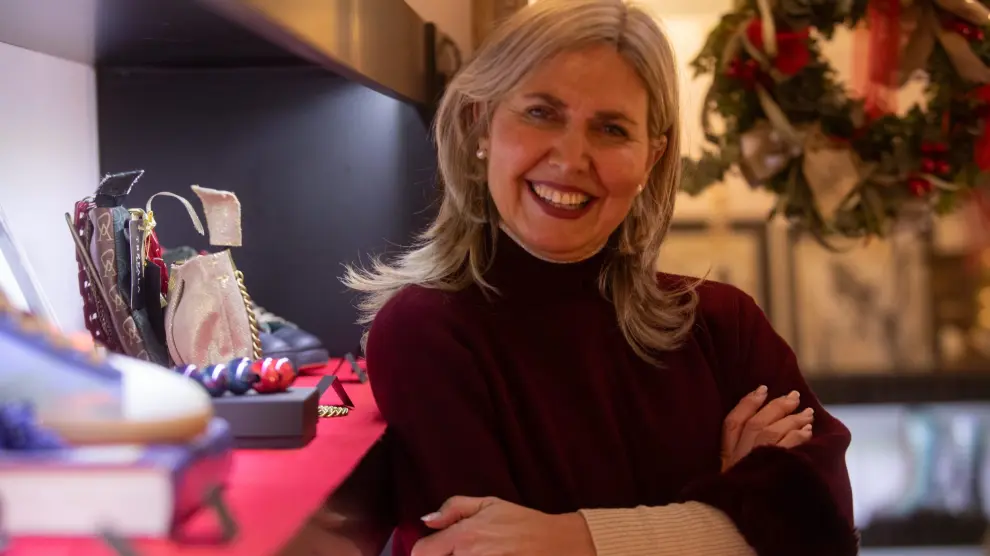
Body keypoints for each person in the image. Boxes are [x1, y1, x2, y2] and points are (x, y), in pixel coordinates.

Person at [343, 0, 857, 554]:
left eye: (611, 129)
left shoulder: (724, 325)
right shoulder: (426, 333)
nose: (571, 158)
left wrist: (571, 537)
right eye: (542, 112)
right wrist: (731, 512)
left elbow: (822, 533)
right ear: (479, 124)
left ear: (651, 160)